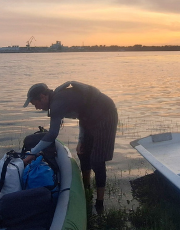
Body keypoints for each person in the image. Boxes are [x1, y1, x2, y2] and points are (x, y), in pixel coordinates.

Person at [24, 80, 118, 214]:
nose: (36, 108)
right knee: (83, 152)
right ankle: (86, 189)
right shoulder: (56, 100)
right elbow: (83, 114)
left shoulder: (57, 103)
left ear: (43, 96)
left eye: (35, 104)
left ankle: (99, 204)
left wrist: (32, 153)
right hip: (89, 118)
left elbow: (52, 135)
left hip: (106, 115)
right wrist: (81, 140)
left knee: (97, 160)